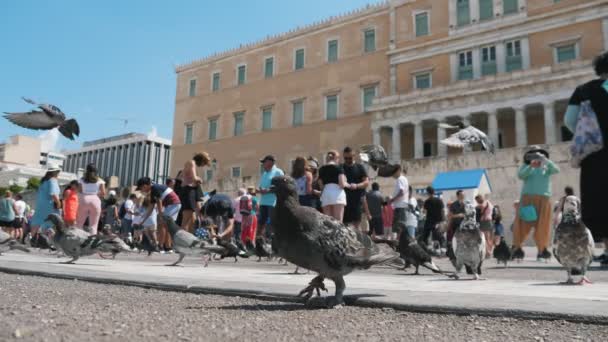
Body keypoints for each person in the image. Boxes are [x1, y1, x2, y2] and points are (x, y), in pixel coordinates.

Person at [565, 53, 608, 265]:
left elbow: (569, 121)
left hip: (595, 155)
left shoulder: (583, 90)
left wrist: (587, 134)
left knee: (600, 200)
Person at [511, 145, 559, 261]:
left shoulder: (547, 166)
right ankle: (517, 248)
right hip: (528, 198)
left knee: (543, 226)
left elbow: (556, 170)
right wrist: (530, 166)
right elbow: (521, 175)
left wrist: (545, 160)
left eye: (538, 153)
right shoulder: (526, 166)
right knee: (522, 224)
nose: (536, 155)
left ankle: (542, 251)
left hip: (544, 198)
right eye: (533, 153)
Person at [137, 177, 182, 253]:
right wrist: (143, 220)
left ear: (144, 186)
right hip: (173, 204)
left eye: (141, 189)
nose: (141, 191)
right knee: (167, 226)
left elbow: (159, 201)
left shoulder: (155, 188)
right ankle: (168, 247)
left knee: (162, 225)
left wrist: (161, 215)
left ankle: (161, 247)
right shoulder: (153, 189)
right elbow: (151, 207)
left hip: (172, 204)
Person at [177, 152, 211, 234]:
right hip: (188, 191)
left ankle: (184, 239)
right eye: (204, 163)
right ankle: (181, 241)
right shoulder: (191, 163)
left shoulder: (190, 164)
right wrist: (199, 179)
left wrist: (187, 178)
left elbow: (179, 177)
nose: (203, 165)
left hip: (188, 191)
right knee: (185, 221)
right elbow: (195, 178)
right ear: (201, 160)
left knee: (188, 220)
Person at [29, 165, 62, 246]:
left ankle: (33, 240)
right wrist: (58, 203)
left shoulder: (43, 181)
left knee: (37, 222)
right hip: (49, 205)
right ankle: (51, 242)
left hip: (40, 205)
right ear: (55, 173)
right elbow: (53, 194)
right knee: (53, 223)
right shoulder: (53, 180)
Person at [341, 147, 369, 230]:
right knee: (344, 226)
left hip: (356, 202)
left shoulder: (360, 167)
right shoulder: (341, 168)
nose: (347, 160)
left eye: (349, 158)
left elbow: (366, 182)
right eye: (345, 158)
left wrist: (356, 186)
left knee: (357, 226)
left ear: (354, 156)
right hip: (344, 201)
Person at [256, 155, 284, 238]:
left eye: (264, 162)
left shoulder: (278, 172)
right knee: (261, 222)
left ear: (270, 162)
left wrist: (267, 190)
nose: (263, 164)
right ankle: (259, 240)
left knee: (273, 223)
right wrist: (257, 190)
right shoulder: (264, 173)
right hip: (263, 202)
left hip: (273, 202)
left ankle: (276, 241)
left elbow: (281, 186)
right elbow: (261, 187)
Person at [76, 163, 106, 234]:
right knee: (94, 225)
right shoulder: (100, 180)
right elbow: (103, 193)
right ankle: (92, 240)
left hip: (84, 199)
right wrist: (96, 194)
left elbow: (80, 190)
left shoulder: (82, 179)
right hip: (95, 200)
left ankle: (77, 238)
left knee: (79, 223)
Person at [318, 150, 348, 221]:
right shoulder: (339, 168)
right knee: (338, 221)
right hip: (337, 193)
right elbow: (342, 184)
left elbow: (321, 185)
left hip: (326, 193)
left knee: (328, 222)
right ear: (336, 158)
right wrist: (348, 184)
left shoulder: (321, 169)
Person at [386, 165, 409, 241]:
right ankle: (399, 241)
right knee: (400, 225)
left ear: (399, 170)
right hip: (402, 205)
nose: (392, 175)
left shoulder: (400, 179)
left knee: (398, 226)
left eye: (393, 172)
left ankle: (398, 243)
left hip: (399, 206)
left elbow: (401, 192)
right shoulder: (404, 179)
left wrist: (392, 200)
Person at [446, 190, 466, 261]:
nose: (463, 196)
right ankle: (455, 255)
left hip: (464, 226)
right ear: (457, 196)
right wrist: (459, 215)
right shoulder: (453, 205)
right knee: (456, 241)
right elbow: (450, 216)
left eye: (463, 194)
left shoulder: (466, 204)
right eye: (461, 195)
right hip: (455, 226)